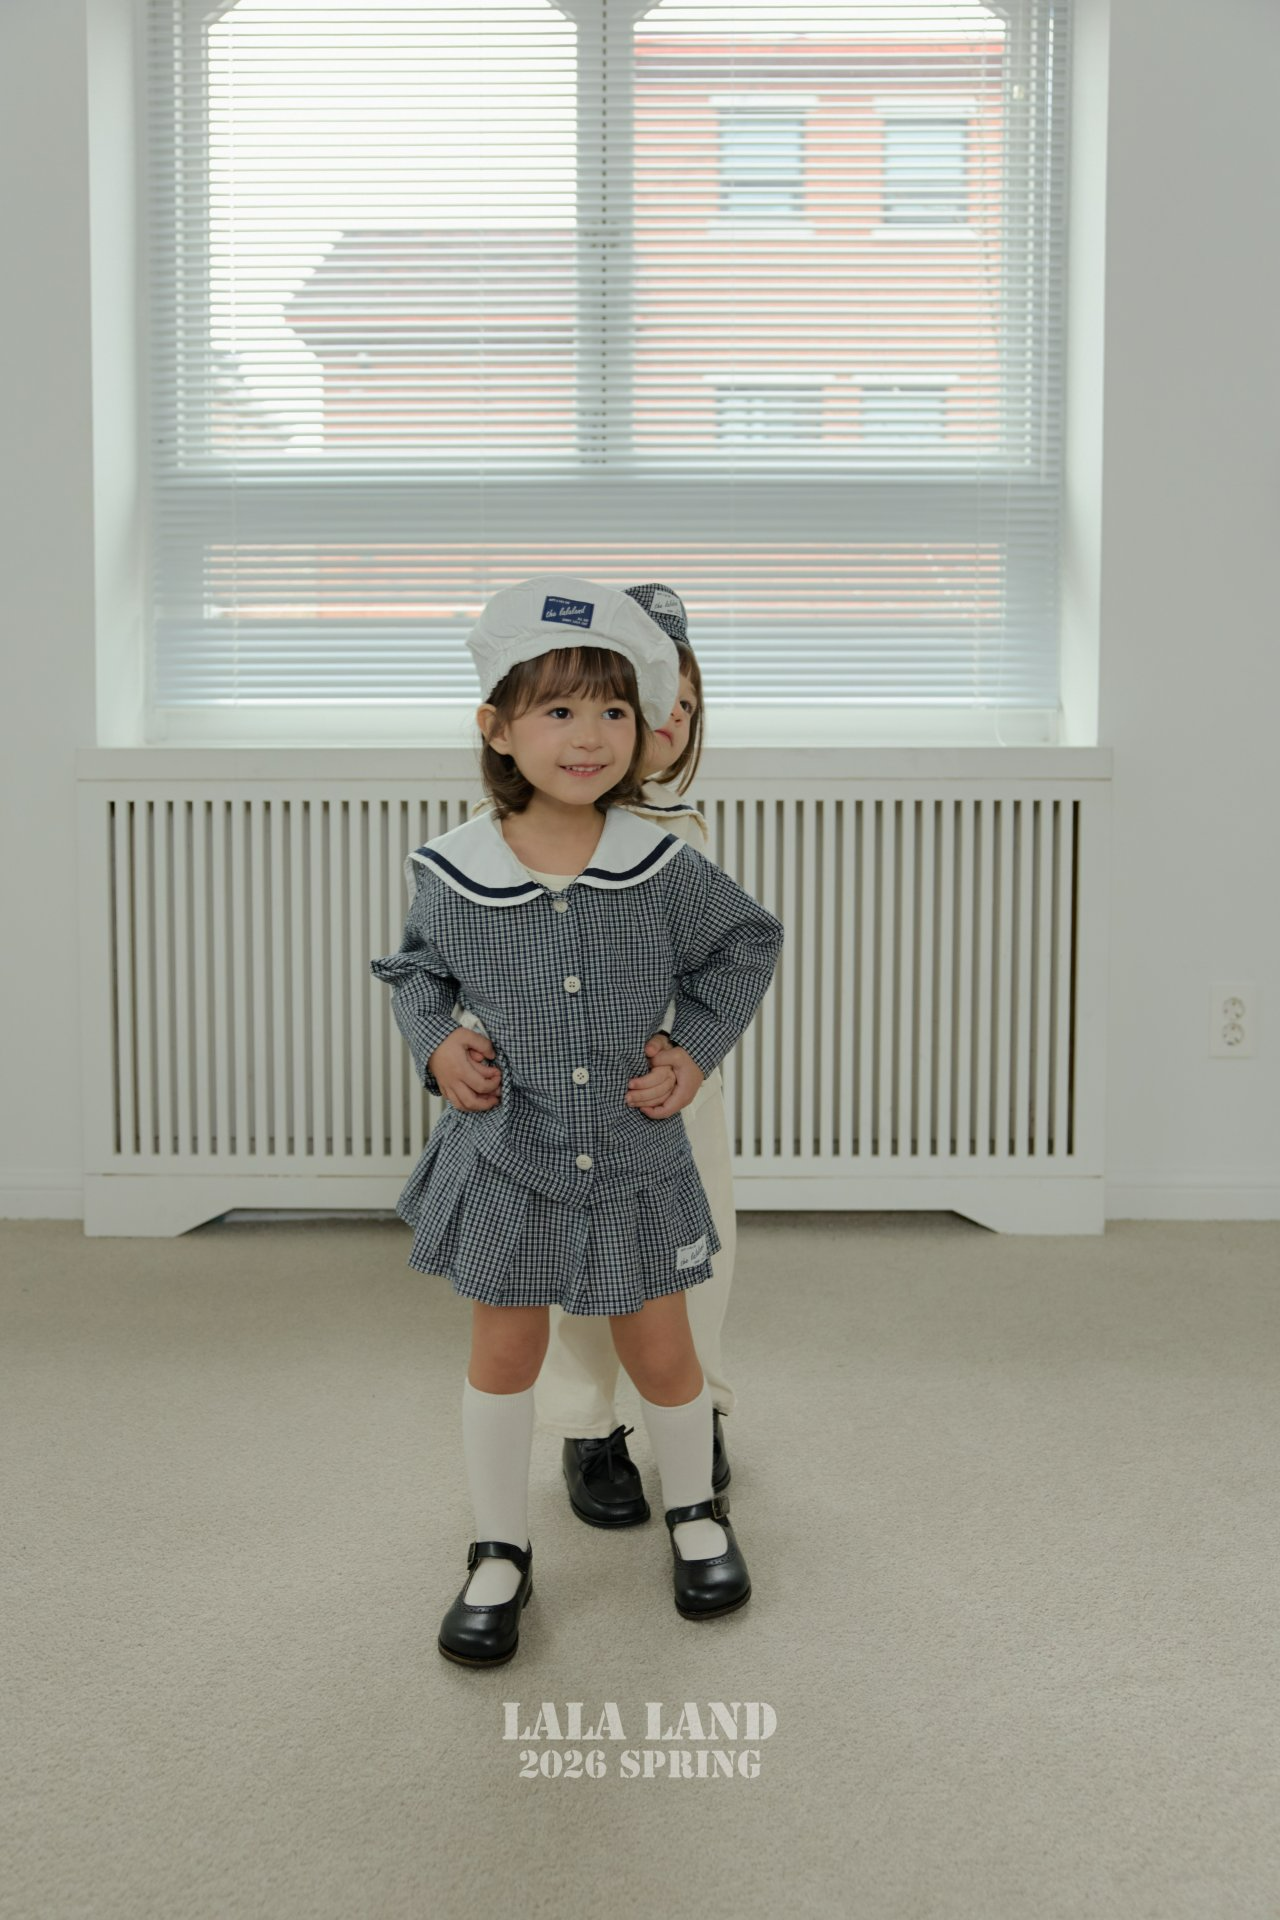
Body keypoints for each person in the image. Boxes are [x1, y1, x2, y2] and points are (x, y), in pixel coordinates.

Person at [371, 575, 783, 1668]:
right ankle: (498, 1548)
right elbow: (414, 972)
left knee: (663, 1349)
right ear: (497, 728)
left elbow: (747, 945)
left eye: (611, 710)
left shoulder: (664, 866)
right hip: (510, 1157)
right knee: (504, 1351)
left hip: (635, 1158)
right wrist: (437, 1042)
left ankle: (694, 1513)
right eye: (557, 710)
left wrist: (694, 1047)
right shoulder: (454, 869)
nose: (589, 735)